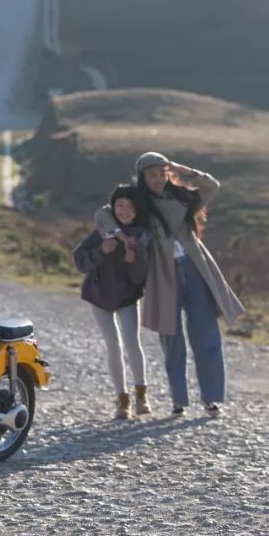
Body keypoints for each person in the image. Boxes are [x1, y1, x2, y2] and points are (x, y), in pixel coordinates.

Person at [95, 152, 244, 417]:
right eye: (152, 175)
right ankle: (179, 400)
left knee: (206, 334)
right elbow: (103, 214)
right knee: (171, 338)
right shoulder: (138, 202)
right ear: (142, 177)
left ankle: (212, 399)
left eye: (162, 173)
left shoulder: (182, 196)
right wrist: (119, 235)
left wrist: (184, 169)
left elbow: (212, 187)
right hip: (162, 274)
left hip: (195, 267)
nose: (158, 180)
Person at [73, 184, 152, 419]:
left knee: (131, 343)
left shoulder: (141, 235)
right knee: (113, 346)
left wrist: (133, 257)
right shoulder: (103, 229)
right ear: (113, 207)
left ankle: (141, 395)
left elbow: (141, 277)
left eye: (130, 206)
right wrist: (101, 250)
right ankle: (122, 400)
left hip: (127, 297)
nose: (125, 210)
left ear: (137, 210)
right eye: (120, 205)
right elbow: (80, 261)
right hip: (99, 296)